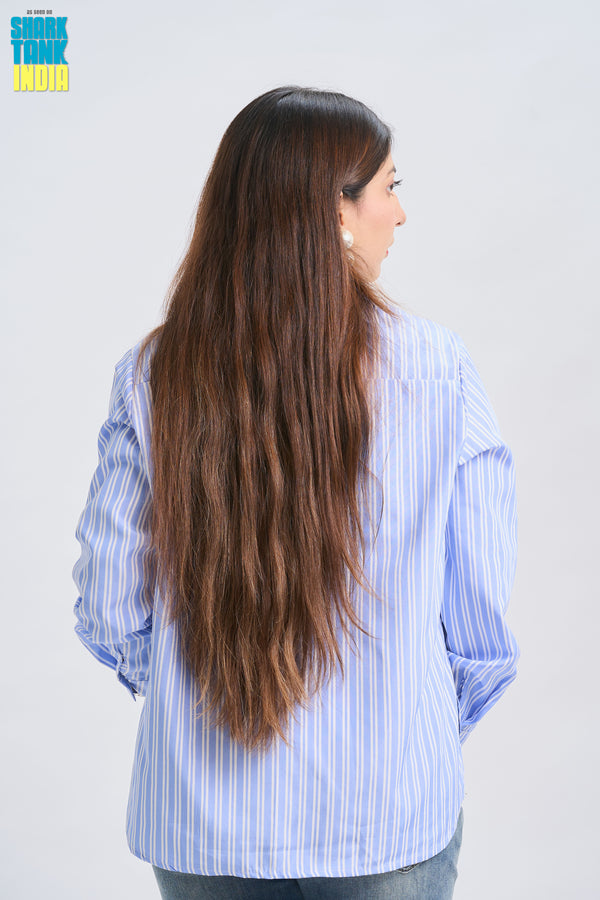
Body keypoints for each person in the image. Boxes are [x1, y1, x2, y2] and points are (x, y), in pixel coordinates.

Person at [72, 86, 519, 900]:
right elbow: (480, 618)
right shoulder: (438, 370)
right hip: (387, 818)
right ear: (334, 211)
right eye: (389, 187)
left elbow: (109, 605)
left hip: (204, 825)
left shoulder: (156, 374)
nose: (400, 213)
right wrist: (407, 724)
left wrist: (186, 697)